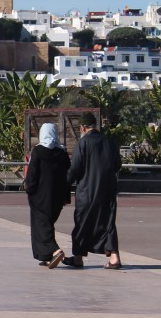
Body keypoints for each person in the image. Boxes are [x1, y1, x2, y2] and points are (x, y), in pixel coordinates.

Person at [64, 112, 123, 269]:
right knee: (108, 223)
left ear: (82, 127)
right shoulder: (109, 142)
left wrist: (64, 184)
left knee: (82, 223)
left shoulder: (83, 144)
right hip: (108, 191)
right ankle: (114, 258)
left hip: (87, 192)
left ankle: (78, 258)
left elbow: (75, 168)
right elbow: (117, 164)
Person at [25, 123, 71, 269]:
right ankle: (44, 256)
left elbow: (32, 175)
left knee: (40, 226)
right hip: (57, 197)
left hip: (40, 196)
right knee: (47, 224)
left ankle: (55, 250)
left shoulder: (38, 151)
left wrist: (30, 190)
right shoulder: (62, 153)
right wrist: (66, 197)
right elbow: (67, 177)